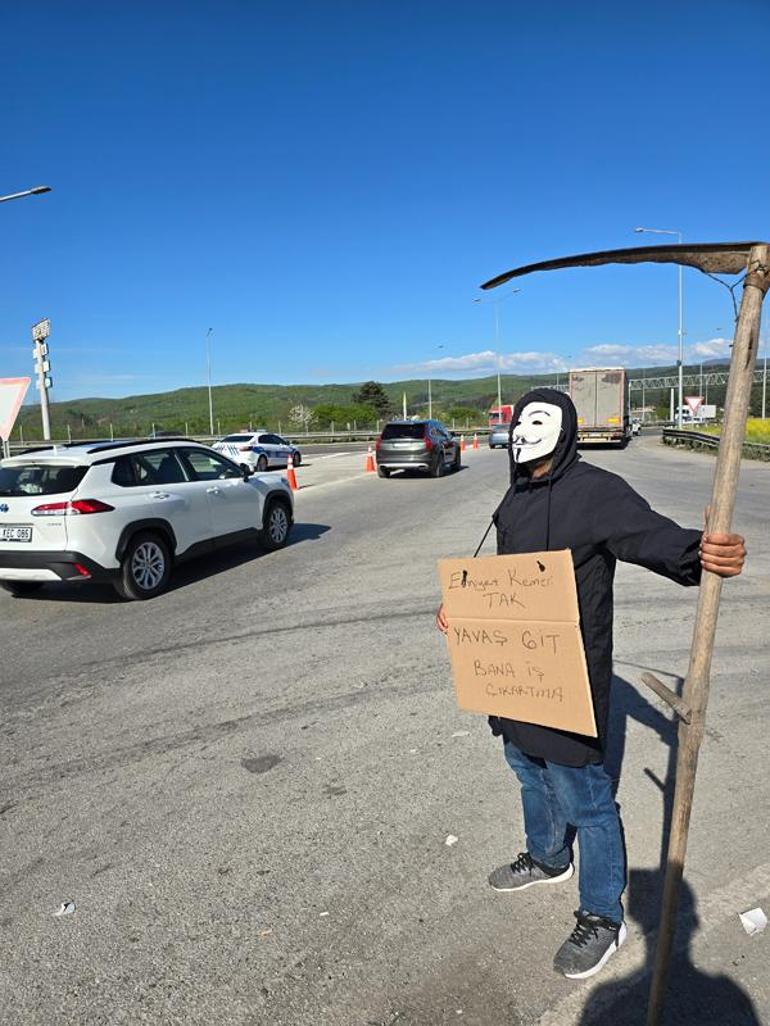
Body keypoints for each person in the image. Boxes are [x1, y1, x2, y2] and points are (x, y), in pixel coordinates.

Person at [435, 388, 746, 980]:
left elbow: (650, 537)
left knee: (585, 795)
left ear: (565, 429)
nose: (526, 431)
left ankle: (603, 915)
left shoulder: (597, 492)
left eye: (539, 420)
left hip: (569, 679)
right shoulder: (515, 493)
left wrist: (701, 553)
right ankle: (550, 856)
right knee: (526, 766)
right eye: (520, 419)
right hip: (513, 678)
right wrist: (461, 612)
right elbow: (503, 582)